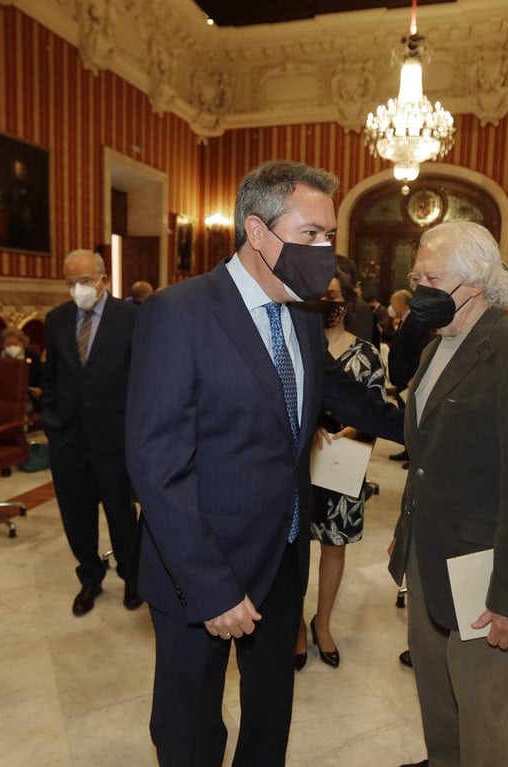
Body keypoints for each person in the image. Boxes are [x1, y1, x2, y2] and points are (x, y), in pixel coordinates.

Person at [126, 159, 403, 767]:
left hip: (282, 556)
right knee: (191, 728)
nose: (325, 250)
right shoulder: (179, 313)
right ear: (257, 232)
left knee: (271, 709)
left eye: (330, 236)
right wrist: (210, 586)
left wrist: (435, 425)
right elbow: (157, 466)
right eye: (311, 234)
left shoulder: (303, 314)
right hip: (202, 567)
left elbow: (345, 397)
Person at [388, 221, 508, 767]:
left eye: (431, 278)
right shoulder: (436, 346)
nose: (419, 291)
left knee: (482, 700)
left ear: (477, 283)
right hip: (427, 549)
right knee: (434, 682)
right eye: (416, 277)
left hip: (481, 566)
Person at [294, 269, 387, 671]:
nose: (325, 303)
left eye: (332, 295)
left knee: (334, 546)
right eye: (318, 295)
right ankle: (295, 626)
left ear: (347, 303)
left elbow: (377, 409)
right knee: (292, 548)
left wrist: (349, 429)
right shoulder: (297, 345)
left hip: (343, 463)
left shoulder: (365, 353)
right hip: (299, 463)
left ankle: (323, 623)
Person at [41, 249, 142, 615]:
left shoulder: (131, 317)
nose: (77, 289)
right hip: (68, 440)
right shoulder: (56, 319)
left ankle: (132, 577)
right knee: (76, 517)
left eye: (84, 281)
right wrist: (50, 421)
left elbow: (142, 379)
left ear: (103, 279)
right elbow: (49, 375)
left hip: (114, 440)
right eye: (70, 282)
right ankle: (90, 578)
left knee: (121, 515)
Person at [386, 287, 432, 462]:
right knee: (405, 416)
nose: (392, 307)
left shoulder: (415, 321)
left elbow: (420, 350)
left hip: (409, 378)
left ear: (400, 303)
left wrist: (415, 376)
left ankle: (414, 455)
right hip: (401, 377)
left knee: (411, 417)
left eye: (392, 303)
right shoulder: (406, 320)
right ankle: (407, 450)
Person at [0, 326, 42, 412]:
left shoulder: (33, 357)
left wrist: (39, 389)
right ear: (2, 344)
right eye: (8, 345)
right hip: (2, 398)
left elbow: (42, 379)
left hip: (26, 398)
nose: (12, 348)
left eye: (15, 344)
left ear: (23, 343)